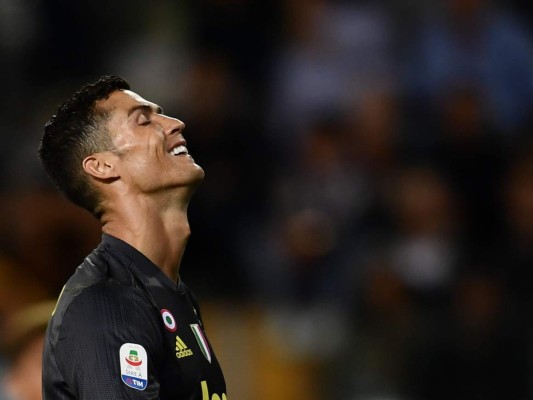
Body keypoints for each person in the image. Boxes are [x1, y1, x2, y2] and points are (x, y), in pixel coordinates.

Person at [38, 76, 227, 399]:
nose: (175, 123)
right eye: (144, 120)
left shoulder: (168, 292)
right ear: (102, 166)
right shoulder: (104, 304)